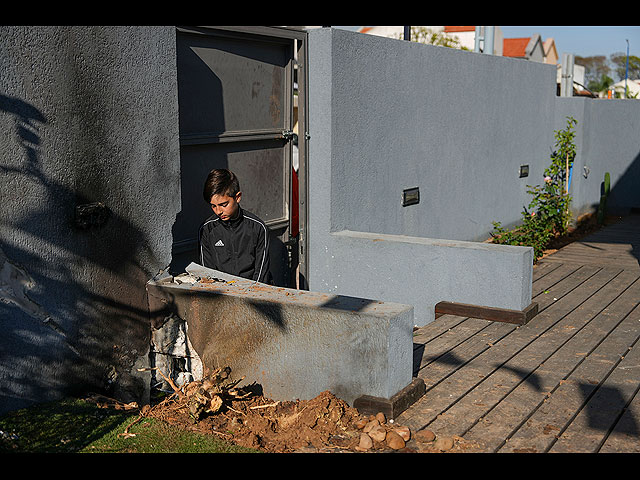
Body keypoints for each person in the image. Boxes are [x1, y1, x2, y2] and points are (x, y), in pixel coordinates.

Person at [198, 169, 272, 284]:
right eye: (213, 206)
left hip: (252, 293)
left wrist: (249, 296)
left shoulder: (257, 228)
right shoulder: (207, 229)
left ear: (237, 197)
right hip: (221, 294)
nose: (218, 211)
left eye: (223, 205)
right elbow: (207, 272)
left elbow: (261, 274)